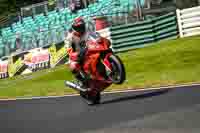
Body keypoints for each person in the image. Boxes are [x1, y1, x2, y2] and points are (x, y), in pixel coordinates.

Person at [65, 17, 88, 87]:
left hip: (89, 50)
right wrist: (73, 54)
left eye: (82, 26)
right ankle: (82, 82)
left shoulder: (87, 31)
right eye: (79, 27)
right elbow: (68, 48)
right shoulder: (70, 37)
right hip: (77, 55)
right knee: (73, 67)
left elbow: (95, 36)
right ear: (75, 27)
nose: (81, 28)